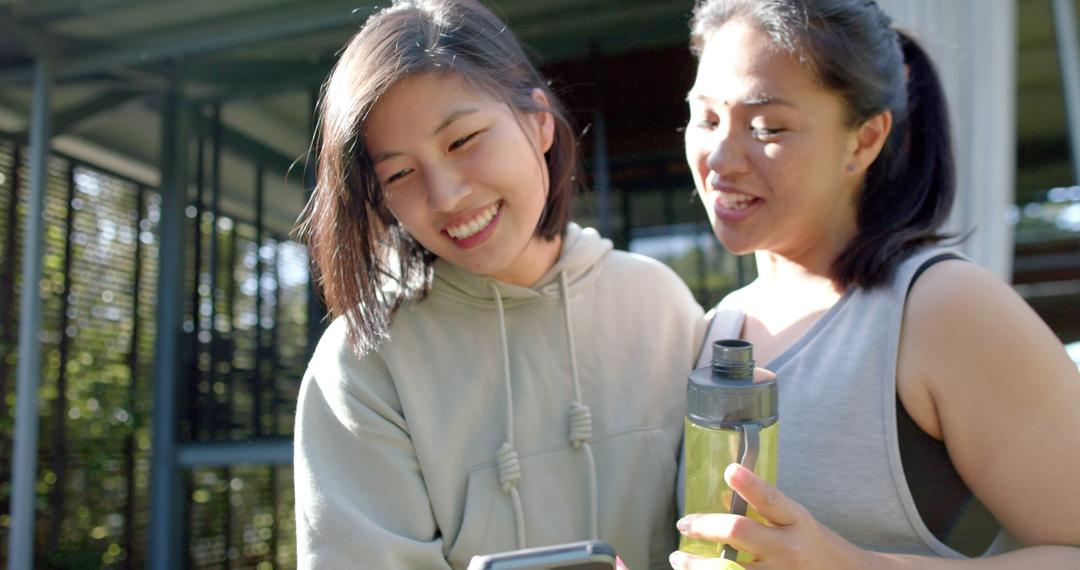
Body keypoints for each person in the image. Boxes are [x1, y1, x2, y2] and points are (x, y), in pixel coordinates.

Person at [291, 1, 705, 568]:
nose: (446, 196)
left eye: (462, 140)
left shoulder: (661, 307)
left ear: (538, 121)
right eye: (400, 174)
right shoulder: (363, 365)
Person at [671, 0, 1080, 568]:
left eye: (767, 126)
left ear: (864, 141)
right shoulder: (719, 325)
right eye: (707, 118)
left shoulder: (941, 309)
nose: (719, 157)